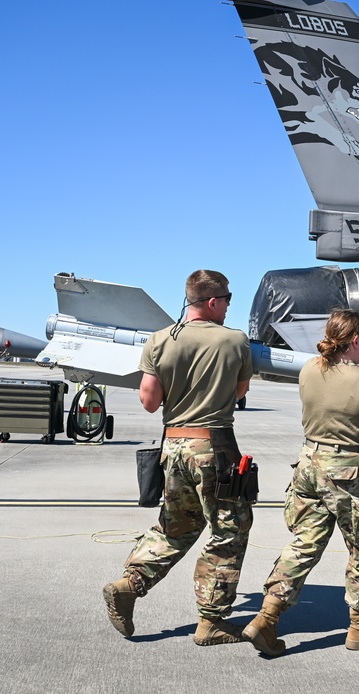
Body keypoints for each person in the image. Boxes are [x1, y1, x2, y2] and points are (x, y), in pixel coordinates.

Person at [102, 270, 254, 646]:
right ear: (214, 301)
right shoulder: (235, 341)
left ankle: (129, 584)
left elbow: (150, 401)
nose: (228, 307)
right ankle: (211, 621)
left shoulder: (158, 341)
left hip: (173, 447)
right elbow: (240, 392)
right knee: (229, 532)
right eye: (228, 300)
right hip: (215, 448)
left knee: (176, 528)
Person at [243, 310, 359, 656]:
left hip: (309, 464)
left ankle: (266, 617)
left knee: (305, 543)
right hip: (349, 473)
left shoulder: (310, 369)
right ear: (356, 340)